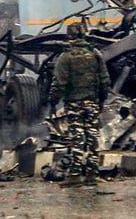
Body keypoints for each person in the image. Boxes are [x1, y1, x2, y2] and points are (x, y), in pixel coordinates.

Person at [48, 22, 110, 185]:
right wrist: (102, 100)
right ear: (84, 35)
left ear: (69, 36)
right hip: (92, 101)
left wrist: (53, 101)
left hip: (74, 102)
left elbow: (59, 82)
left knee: (77, 138)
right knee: (92, 136)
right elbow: (104, 79)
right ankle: (91, 173)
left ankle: (75, 174)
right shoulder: (95, 53)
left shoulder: (65, 56)